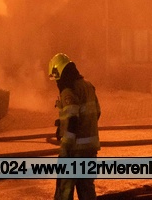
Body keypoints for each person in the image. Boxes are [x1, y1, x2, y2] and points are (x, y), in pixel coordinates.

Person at [48, 53, 101, 200]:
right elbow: (97, 113)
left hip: (73, 151)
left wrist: (66, 148)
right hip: (90, 150)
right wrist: (63, 124)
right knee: (87, 191)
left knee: (64, 190)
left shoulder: (68, 90)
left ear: (60, 73)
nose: (56, 82)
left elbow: (72, 120)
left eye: (56, 78)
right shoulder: (88, 86)